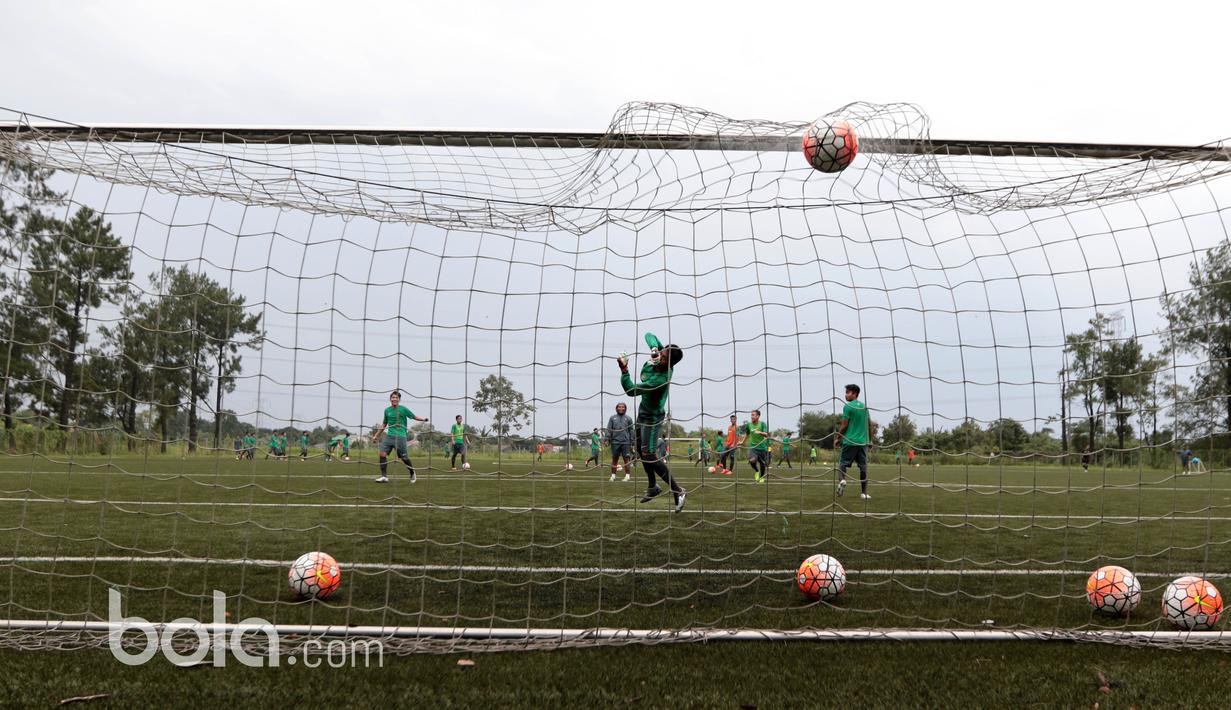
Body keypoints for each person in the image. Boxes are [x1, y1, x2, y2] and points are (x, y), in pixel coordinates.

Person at [618, 334, 685, 512]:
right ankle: (652, 486)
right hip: (643, 412)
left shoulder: (660, 379)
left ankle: (678, 490)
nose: (660, 356)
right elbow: (649, 335)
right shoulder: (660, 355)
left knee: (649, 454)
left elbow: (631, 390)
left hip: (652, 418)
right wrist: (655, 348)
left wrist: (624, 370)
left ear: (669, 363)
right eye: (662, 352)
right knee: (641, 450)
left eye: (664, 356)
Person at [371, 389, 428, 483]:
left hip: (400, 436)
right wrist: (376, 436)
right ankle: (384, 477)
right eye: (393, 397)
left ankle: (412, 472)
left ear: (399, 399)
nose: (394, 399)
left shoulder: (403, 409)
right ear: (390, 399)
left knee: (404, 458)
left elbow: (413, 416)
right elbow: (384, 424)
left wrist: (423, 419)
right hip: (390, 436)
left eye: (396, 397)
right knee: (382, 454)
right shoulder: (387, 410)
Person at [835, 384, 871, 500]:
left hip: (850, 441)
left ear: (854, 394)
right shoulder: (864, 407)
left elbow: (844, 425)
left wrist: (838, 438)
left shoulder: (848, 406)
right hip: (863, 443)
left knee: (842, 464)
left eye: (848, 392)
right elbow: (869, 424)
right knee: (863, 467)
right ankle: (864, 493)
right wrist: (870, 440)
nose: (845, 395)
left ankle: (842, 480)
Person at [741, 409, 771, 483]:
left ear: (758, 416)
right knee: (752, 461)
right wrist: (742, 442)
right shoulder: (749, 425)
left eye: (753, 415)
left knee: (763, 464)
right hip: (753, 447)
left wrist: (759, 432)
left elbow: (766, 434)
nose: (752, 416)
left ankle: (761, 477)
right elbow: (747, 433)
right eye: (751, 415)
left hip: (762, 448)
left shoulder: (762, 424)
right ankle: (757, 471)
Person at [606, 402, 634, 481]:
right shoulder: (612, 418)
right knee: (614, 460)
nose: (621, 408)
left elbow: (631, 430)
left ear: (625, 408)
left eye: (623, 407)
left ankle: (627, 476)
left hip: (626, 442)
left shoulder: (629, 418)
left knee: (626, 460)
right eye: (619, 407)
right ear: (616, 408)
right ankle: (613, 476)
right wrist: (607, 439)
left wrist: (632, 441)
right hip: (615, 442)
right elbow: (609, 429)